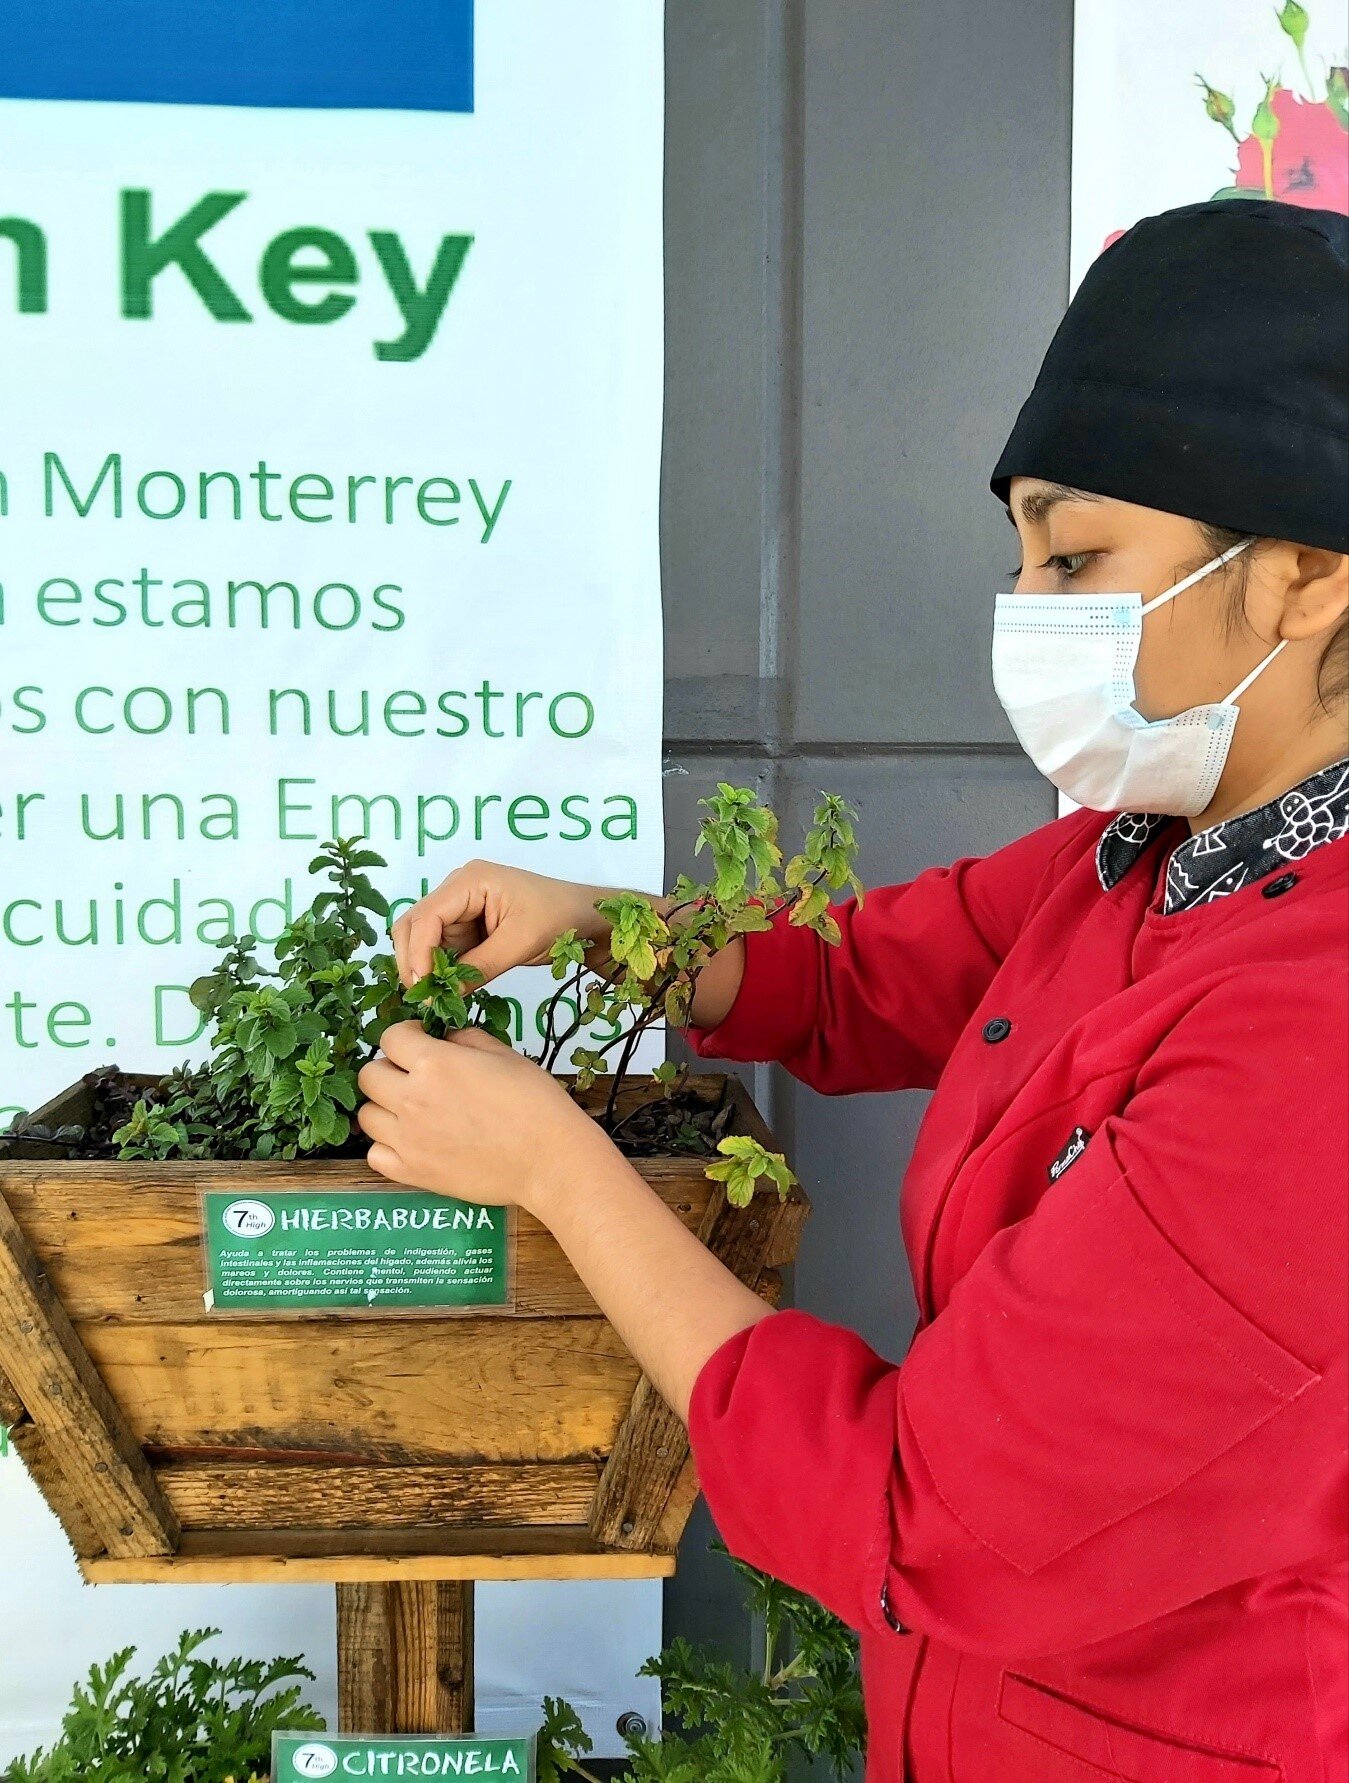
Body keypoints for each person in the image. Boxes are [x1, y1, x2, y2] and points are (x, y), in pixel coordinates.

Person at [356, 198, 1348, 1780]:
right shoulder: (1149, 849)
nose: (1029, 608)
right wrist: (605, 927)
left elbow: (912, 1505)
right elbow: (859, 981)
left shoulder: (1313, 1032)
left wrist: (557, 1169)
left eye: (1079, 555)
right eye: (1021, 551)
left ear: (1301, 579)